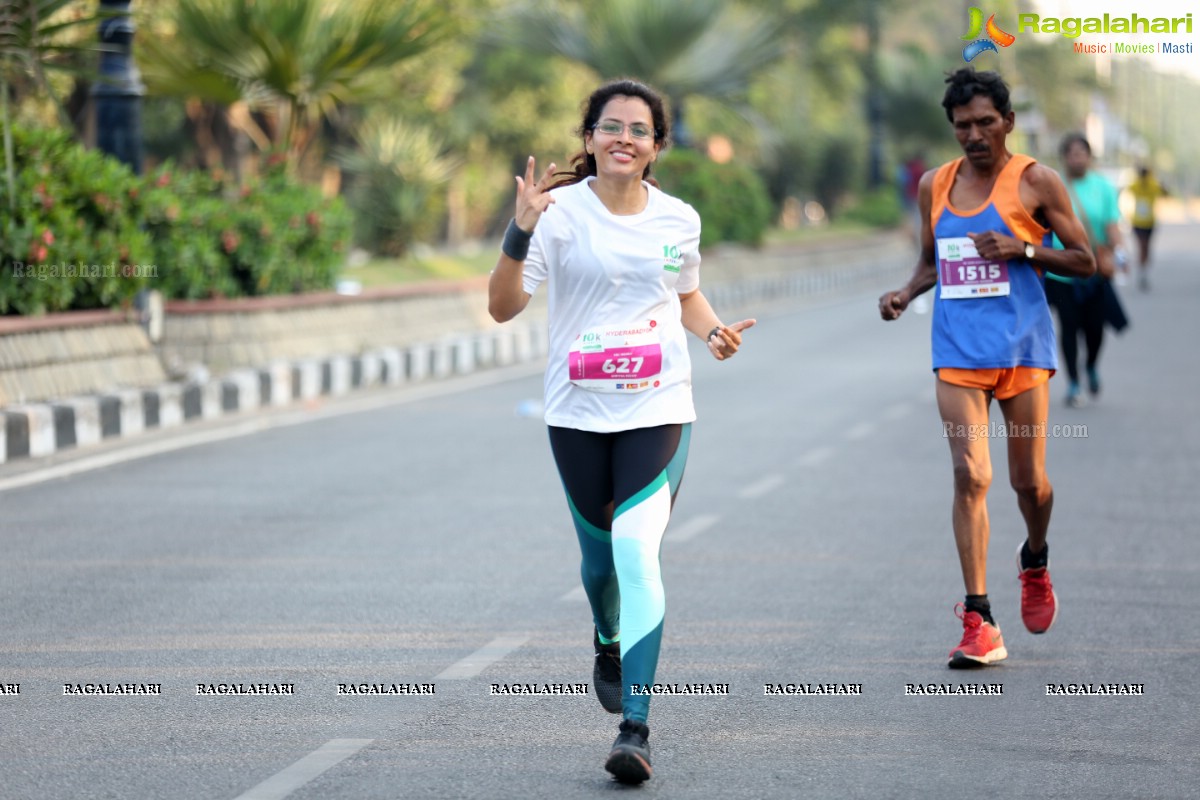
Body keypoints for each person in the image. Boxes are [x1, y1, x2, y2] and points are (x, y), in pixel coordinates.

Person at [487, 78, 755, 784]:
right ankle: (607, 634)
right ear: (589, 139)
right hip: (576, 412)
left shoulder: (678, 220)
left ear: (656, 146)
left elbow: (685, 293)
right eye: (611, 127)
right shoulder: (558, 215)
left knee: (637, 554)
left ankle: (634, 726)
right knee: (601, 566)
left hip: (658, 407)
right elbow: (502, 306)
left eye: (639, 130)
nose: (624, 139)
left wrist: (714, 331)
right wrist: (519, 229)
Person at [878, 68, 1095, 669]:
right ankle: (980, 619)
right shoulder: (935, 186)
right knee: (971, 476)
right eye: (962, 126)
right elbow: (932, 261)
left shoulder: (1036, 181)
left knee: (1030, 484)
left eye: (984, 123)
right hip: (957, 354)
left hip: (1023, 353)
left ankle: (1035, 558)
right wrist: (904, 292)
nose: (973, 135)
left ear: (1008, 122)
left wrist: (1024, 249)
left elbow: (1085, 260)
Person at [1043, 134, 1126, 407]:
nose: (1076, 157)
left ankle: (1090, 364)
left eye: (1082, 152)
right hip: (1060, 271)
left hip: (1093, 270)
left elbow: (1112, 225)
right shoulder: (1053, 186)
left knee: (1095, 330)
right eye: (1071, 153)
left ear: (1089, 157)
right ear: (1064, 157)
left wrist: (1119, 253)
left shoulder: (1102, 187)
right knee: (1068, 328)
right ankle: (1074, 382)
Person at [1127, 165, 1168, 291]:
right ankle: (1142, 271)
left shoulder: (1141, 184)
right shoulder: (1150, 184)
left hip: (1147, 222)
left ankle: (1143, 270)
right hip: (1140, 222)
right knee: (1143, 246)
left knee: (1145, 247)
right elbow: (1165, 192)